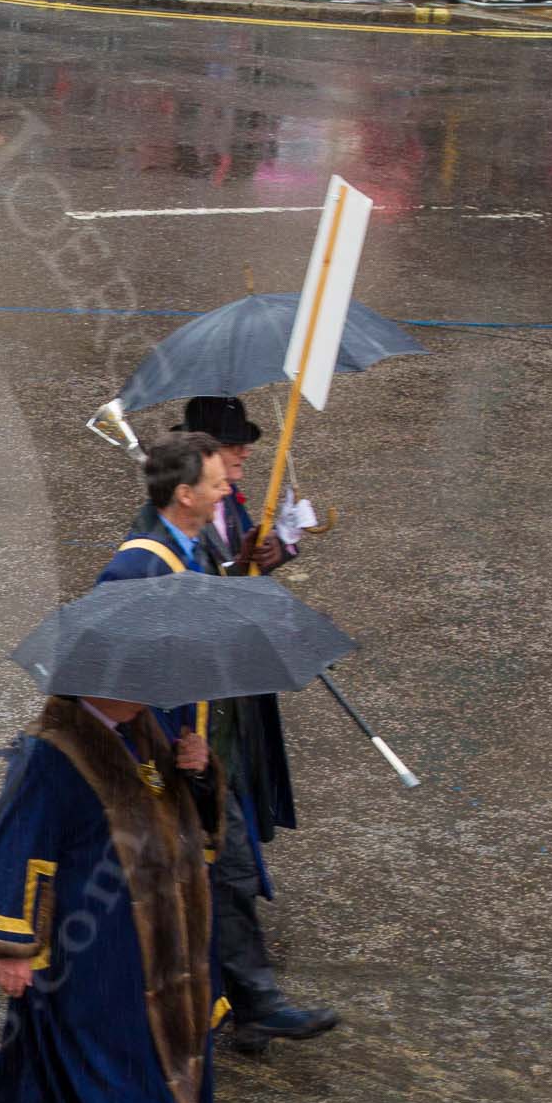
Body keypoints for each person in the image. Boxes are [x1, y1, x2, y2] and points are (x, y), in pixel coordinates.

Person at [0, 691, 229, 1103]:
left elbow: (189, 823)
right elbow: (15, 843)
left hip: (151, 937)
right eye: (132, 682)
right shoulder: (50, 751)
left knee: (47, 1040)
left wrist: (200, 774)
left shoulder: (149, 732)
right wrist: (13, 947)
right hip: (83, 940)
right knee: (120, 1062)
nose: (147, 691)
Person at [98, 428, 341, 1055]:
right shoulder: (138, 565)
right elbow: (108, 673)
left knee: (229, 870)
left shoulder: (199, 541)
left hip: (200, 750)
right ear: (184, 494)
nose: (229, 487)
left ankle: (255, 1004)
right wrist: (164, 741)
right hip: (158, 759)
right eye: (216, 483)